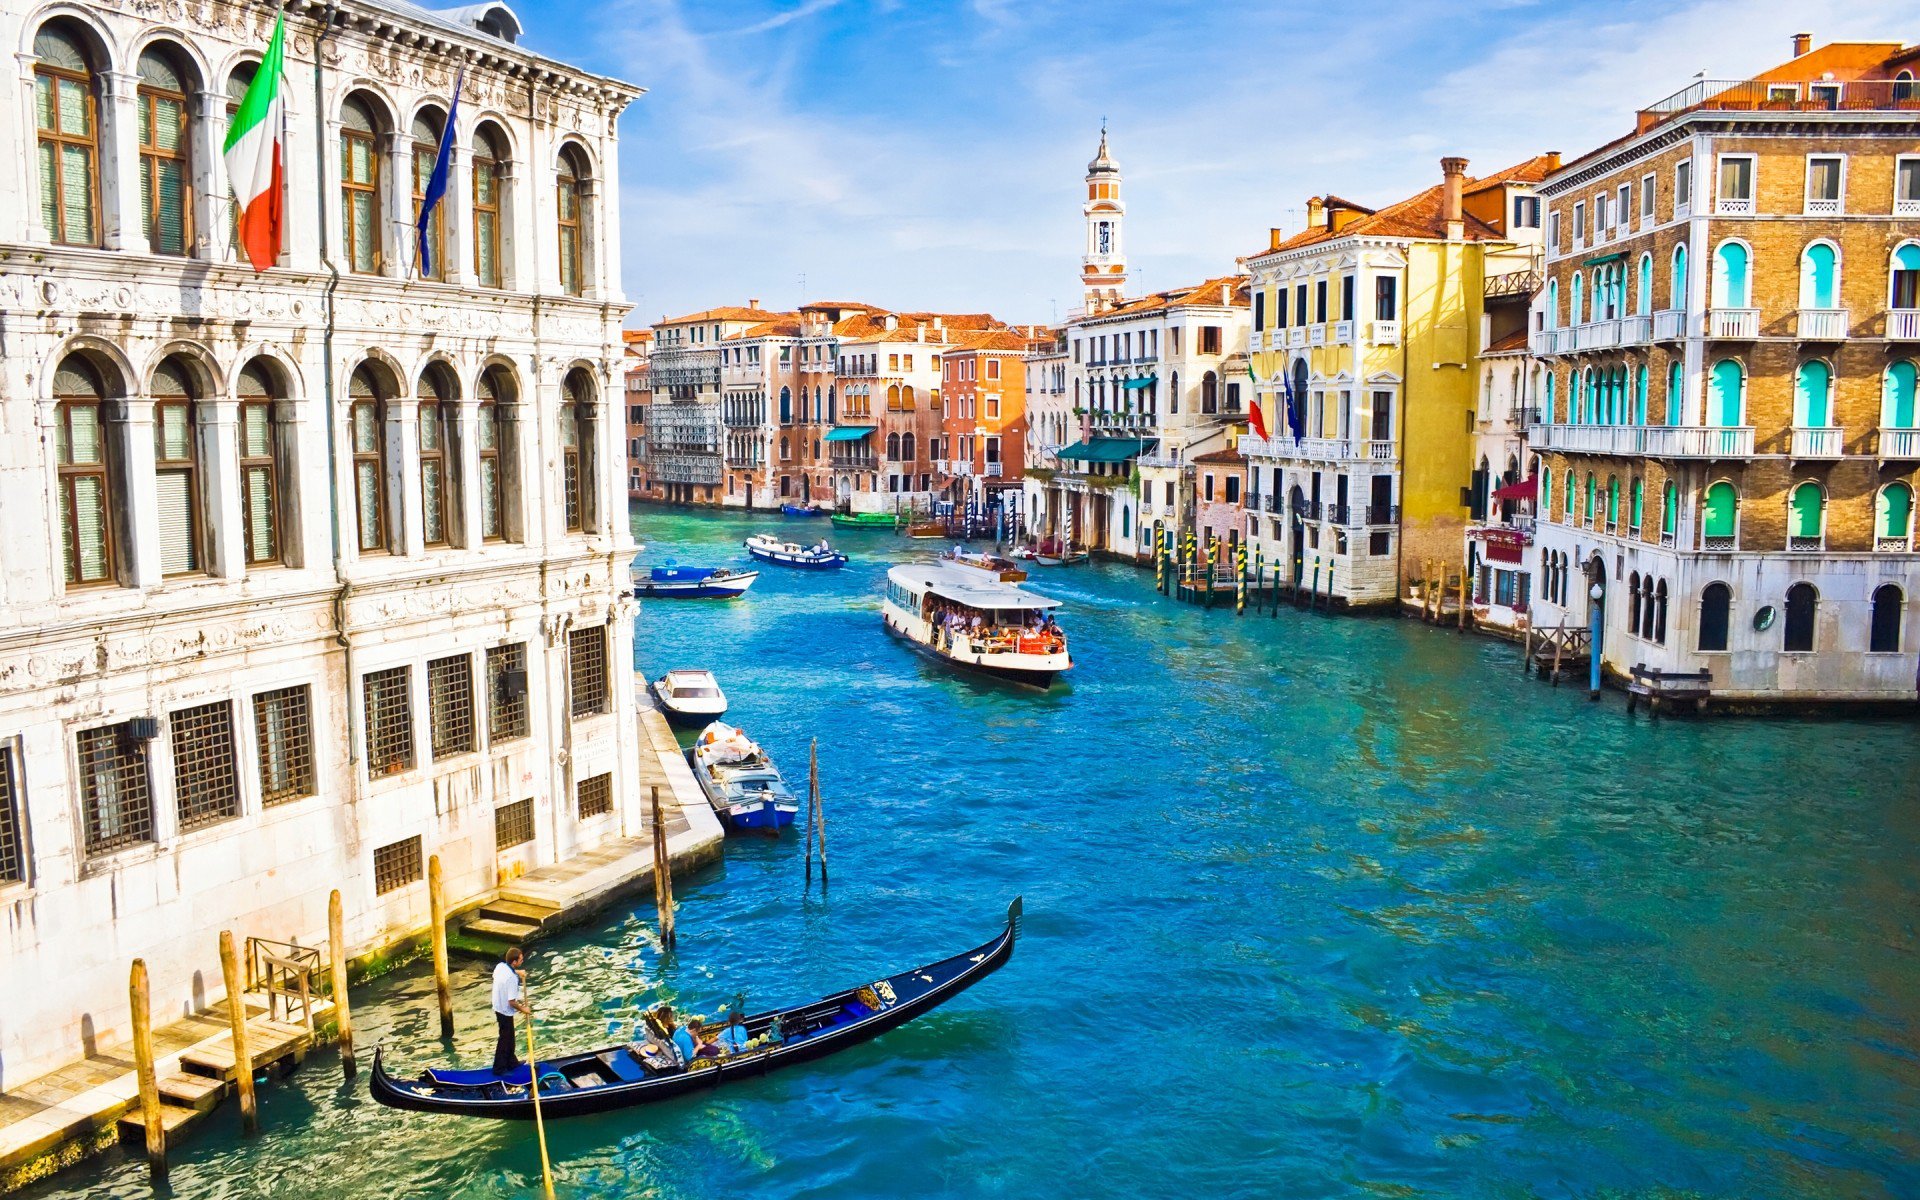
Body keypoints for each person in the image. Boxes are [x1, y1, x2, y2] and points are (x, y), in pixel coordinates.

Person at [492, 947, 530, 1074]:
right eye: (520, 960)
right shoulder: (512, 979)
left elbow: (504, 973)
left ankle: (511, 1062)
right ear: (514, 962)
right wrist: (523, 1009)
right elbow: (512, 1001)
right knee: (505, 1038)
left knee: (510, 1036)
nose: (522, 961)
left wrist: (517, 972)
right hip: (504, 1009)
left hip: (497, 1004)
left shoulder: (500, 966)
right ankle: (499, 1068)